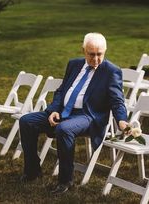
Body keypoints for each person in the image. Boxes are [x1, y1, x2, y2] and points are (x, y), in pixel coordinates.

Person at [19, 33, 128, 194]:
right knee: (26, 121)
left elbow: (117, 101)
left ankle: (66, 181)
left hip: (87, 116)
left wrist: (122, 121)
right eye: (92, 54)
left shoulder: (111, 71)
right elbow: (61, 91)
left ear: (105, 51)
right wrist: (54, 110)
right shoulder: (74, 64)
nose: (96, 59)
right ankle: (32, 171)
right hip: (63, 111)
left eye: (100, 54)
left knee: (64, 129)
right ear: (83, 50)